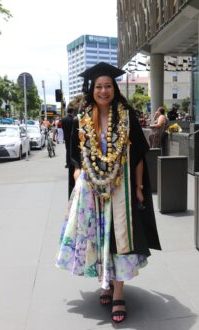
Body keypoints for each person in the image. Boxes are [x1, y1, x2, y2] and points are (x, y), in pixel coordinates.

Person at [55, 62, 161, 324]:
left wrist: (138, 189)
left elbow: (137, 157)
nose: (104, 90)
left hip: (120, 188)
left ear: (114, 88)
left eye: (108, 86)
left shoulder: (126, 116)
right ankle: (105, 283)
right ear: (92, 90)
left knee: (118, 238)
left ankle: (118, 293)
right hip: (91, 189)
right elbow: (75, 157)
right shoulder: (82, 118)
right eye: (99, 86)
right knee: (97, 236)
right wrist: (79, 175)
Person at [61, 106, 75, 197]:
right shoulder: (73, 120)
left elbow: (62, 128)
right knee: (71, 150)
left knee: (67, 150)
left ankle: (67, 163)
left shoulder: (63, 119)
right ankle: (70, 162)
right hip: (71, 137)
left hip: (66, 137)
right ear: (72, 112)